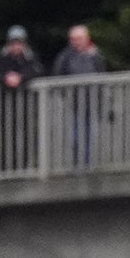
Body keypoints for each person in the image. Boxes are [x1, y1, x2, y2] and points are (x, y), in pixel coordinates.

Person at [0, 26, 43, 171]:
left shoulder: (30, 57)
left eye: (20, 43)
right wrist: (5, 79)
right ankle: (7, 167)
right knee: (6, 136)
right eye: (14, 43)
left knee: (27, 134)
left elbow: (38, 70)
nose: (16, 46)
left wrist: (21, 78)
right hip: (5, 105)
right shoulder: (0, 57)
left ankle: (24, 166)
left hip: (26, 105)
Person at [49, 25, 108, 167]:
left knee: (90, 136)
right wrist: (65, 94)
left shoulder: (95, 55)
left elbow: (102, 75)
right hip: (74, 103)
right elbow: (57, 75)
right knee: (75, 137)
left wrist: (103, 97)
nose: (76, 42)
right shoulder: (65, 56)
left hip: (93, 101)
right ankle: (76, 165)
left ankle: (89, 166)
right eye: (73, 39)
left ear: (87, 39)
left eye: (79, 38)